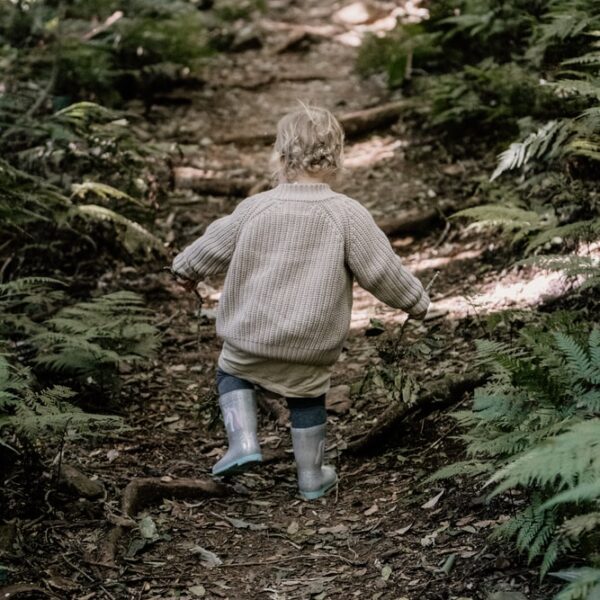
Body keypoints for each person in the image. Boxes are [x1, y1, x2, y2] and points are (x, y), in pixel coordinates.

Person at [171, 105, 430, 500]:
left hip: (249, 337)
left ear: (281, 155)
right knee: (308, 397)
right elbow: (381, 271)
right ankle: (311, 476)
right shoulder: (347, 214)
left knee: (230, 372)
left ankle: (243, 442)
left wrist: (185, 269)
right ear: (336, 157)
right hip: (310, 345)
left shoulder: (256, 207)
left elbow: (212, 246)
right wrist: (416, 301)